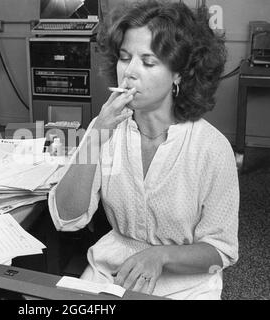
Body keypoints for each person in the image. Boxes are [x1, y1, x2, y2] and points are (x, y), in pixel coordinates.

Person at [48, 0, 239, 300]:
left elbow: (221, 253)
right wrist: (96, 138)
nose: (129, 73)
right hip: (112, 275)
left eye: (148, 62)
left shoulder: (212, 148)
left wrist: (161, 256)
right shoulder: (106, 128)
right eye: (125, 58)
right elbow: (67, 218)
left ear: (179, 74)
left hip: (186, 284)